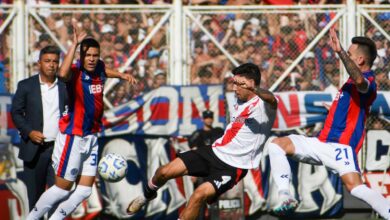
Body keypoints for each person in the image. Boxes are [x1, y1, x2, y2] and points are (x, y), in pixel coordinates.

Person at [127, 63, 278, 219]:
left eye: (239, 84)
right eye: (234, 83)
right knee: (164, 172)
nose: (234, 88)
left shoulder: (264, 106)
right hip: (213, 152)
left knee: (198, 195)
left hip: (233, 166)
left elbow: (272, 99)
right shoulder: (238, 100)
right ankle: (147, 196)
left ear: (252, 84)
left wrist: (255, 90)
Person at [268, 28, 390, 219]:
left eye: (350, 54)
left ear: (359, 60)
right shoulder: (349, 83)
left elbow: (360, 80)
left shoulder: (368, 80)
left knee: (355, 188)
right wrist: (332, 109)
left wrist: (340, 52)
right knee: (276, 145)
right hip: (321, 142)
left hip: (341, 147)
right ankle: (285, 195)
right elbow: (349, 105)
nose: (345, 56)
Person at [26, 26, 137, 220]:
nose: (92, 59)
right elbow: (62, 73)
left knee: (85, 191)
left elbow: (105, 70)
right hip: (73, 136)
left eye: (95, 55)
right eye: (88, 55)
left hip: (91, 136)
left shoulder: (99, 67)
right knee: (62, 189)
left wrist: (121, 75)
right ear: (81, 56)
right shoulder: (75, 72)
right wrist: (74, 44)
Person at [11, 45, 66, 212]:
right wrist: (29, 132)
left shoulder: (64, 87)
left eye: (55, 61)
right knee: (35, 200)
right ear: (39, 63)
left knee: (58, 198)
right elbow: (16, 113)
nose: (51, 65)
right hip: (34, 151)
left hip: (58, 150)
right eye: (47, 61)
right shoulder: (26, 86)